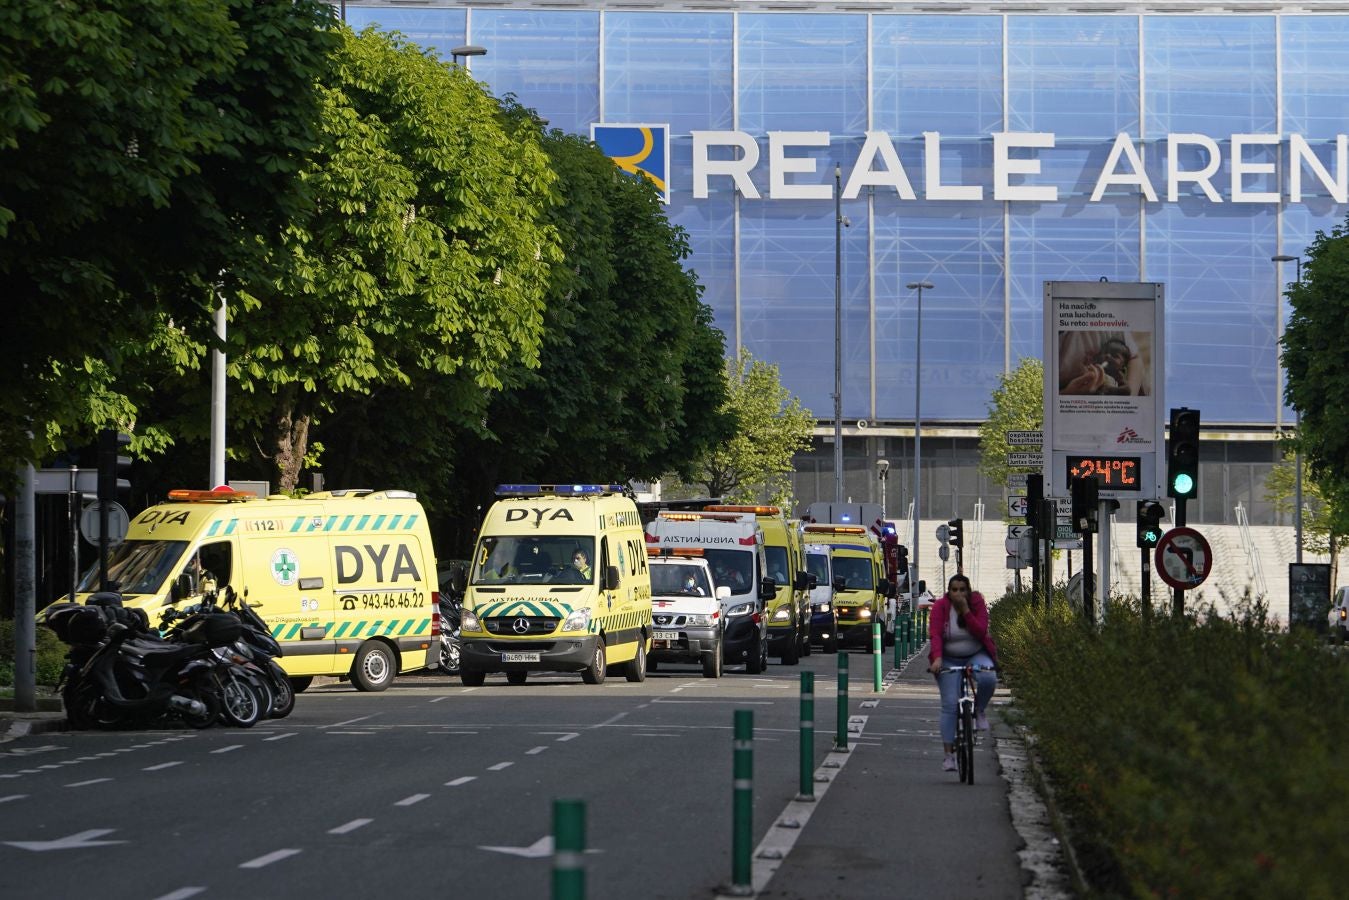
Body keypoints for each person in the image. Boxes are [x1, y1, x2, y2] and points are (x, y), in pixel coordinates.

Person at [927, 574, 998, 773]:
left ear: (968, 591)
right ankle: (949, 755)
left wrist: (966, 611)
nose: (958, 594)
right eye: (954, 590)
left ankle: (979, 710)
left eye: (962, 590)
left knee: (988, 677)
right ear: (949, 592)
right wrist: (938, 658)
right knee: (949, 704)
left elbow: (981, 631)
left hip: (975, 653)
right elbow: (935, 634)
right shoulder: (941, 607)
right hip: (949, 658)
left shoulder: (977, 604)